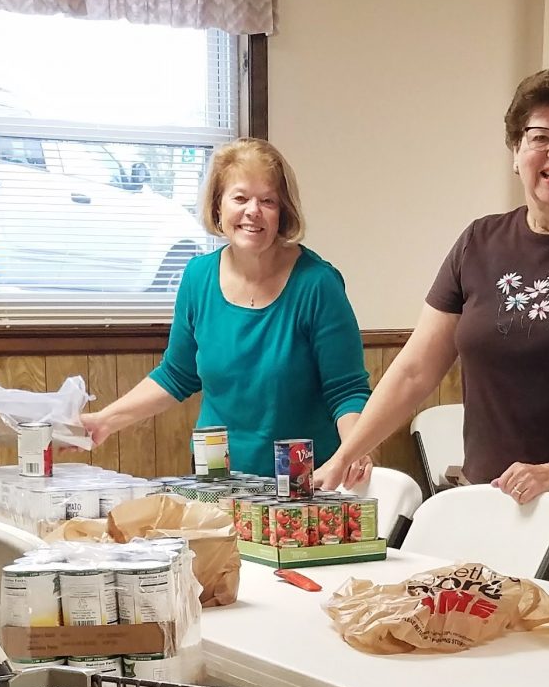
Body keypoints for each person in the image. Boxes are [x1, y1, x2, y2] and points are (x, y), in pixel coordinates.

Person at [314, 67, 549, 529]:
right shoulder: (479, 241)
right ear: (516, 150)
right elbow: (414, 369)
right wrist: (346, 453)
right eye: (540, 136)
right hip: (489, 491)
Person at [81, 139, 369, 476]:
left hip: (302, 478)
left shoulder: (317, 284)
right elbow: (177, 374)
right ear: (218, 207)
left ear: (283, 213)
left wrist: (353, 452)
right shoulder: (197, 277)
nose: (253, 211)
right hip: (215, 474)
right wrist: (104, 421)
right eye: (240, 197)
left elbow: (346, 390)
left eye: (268, 200)